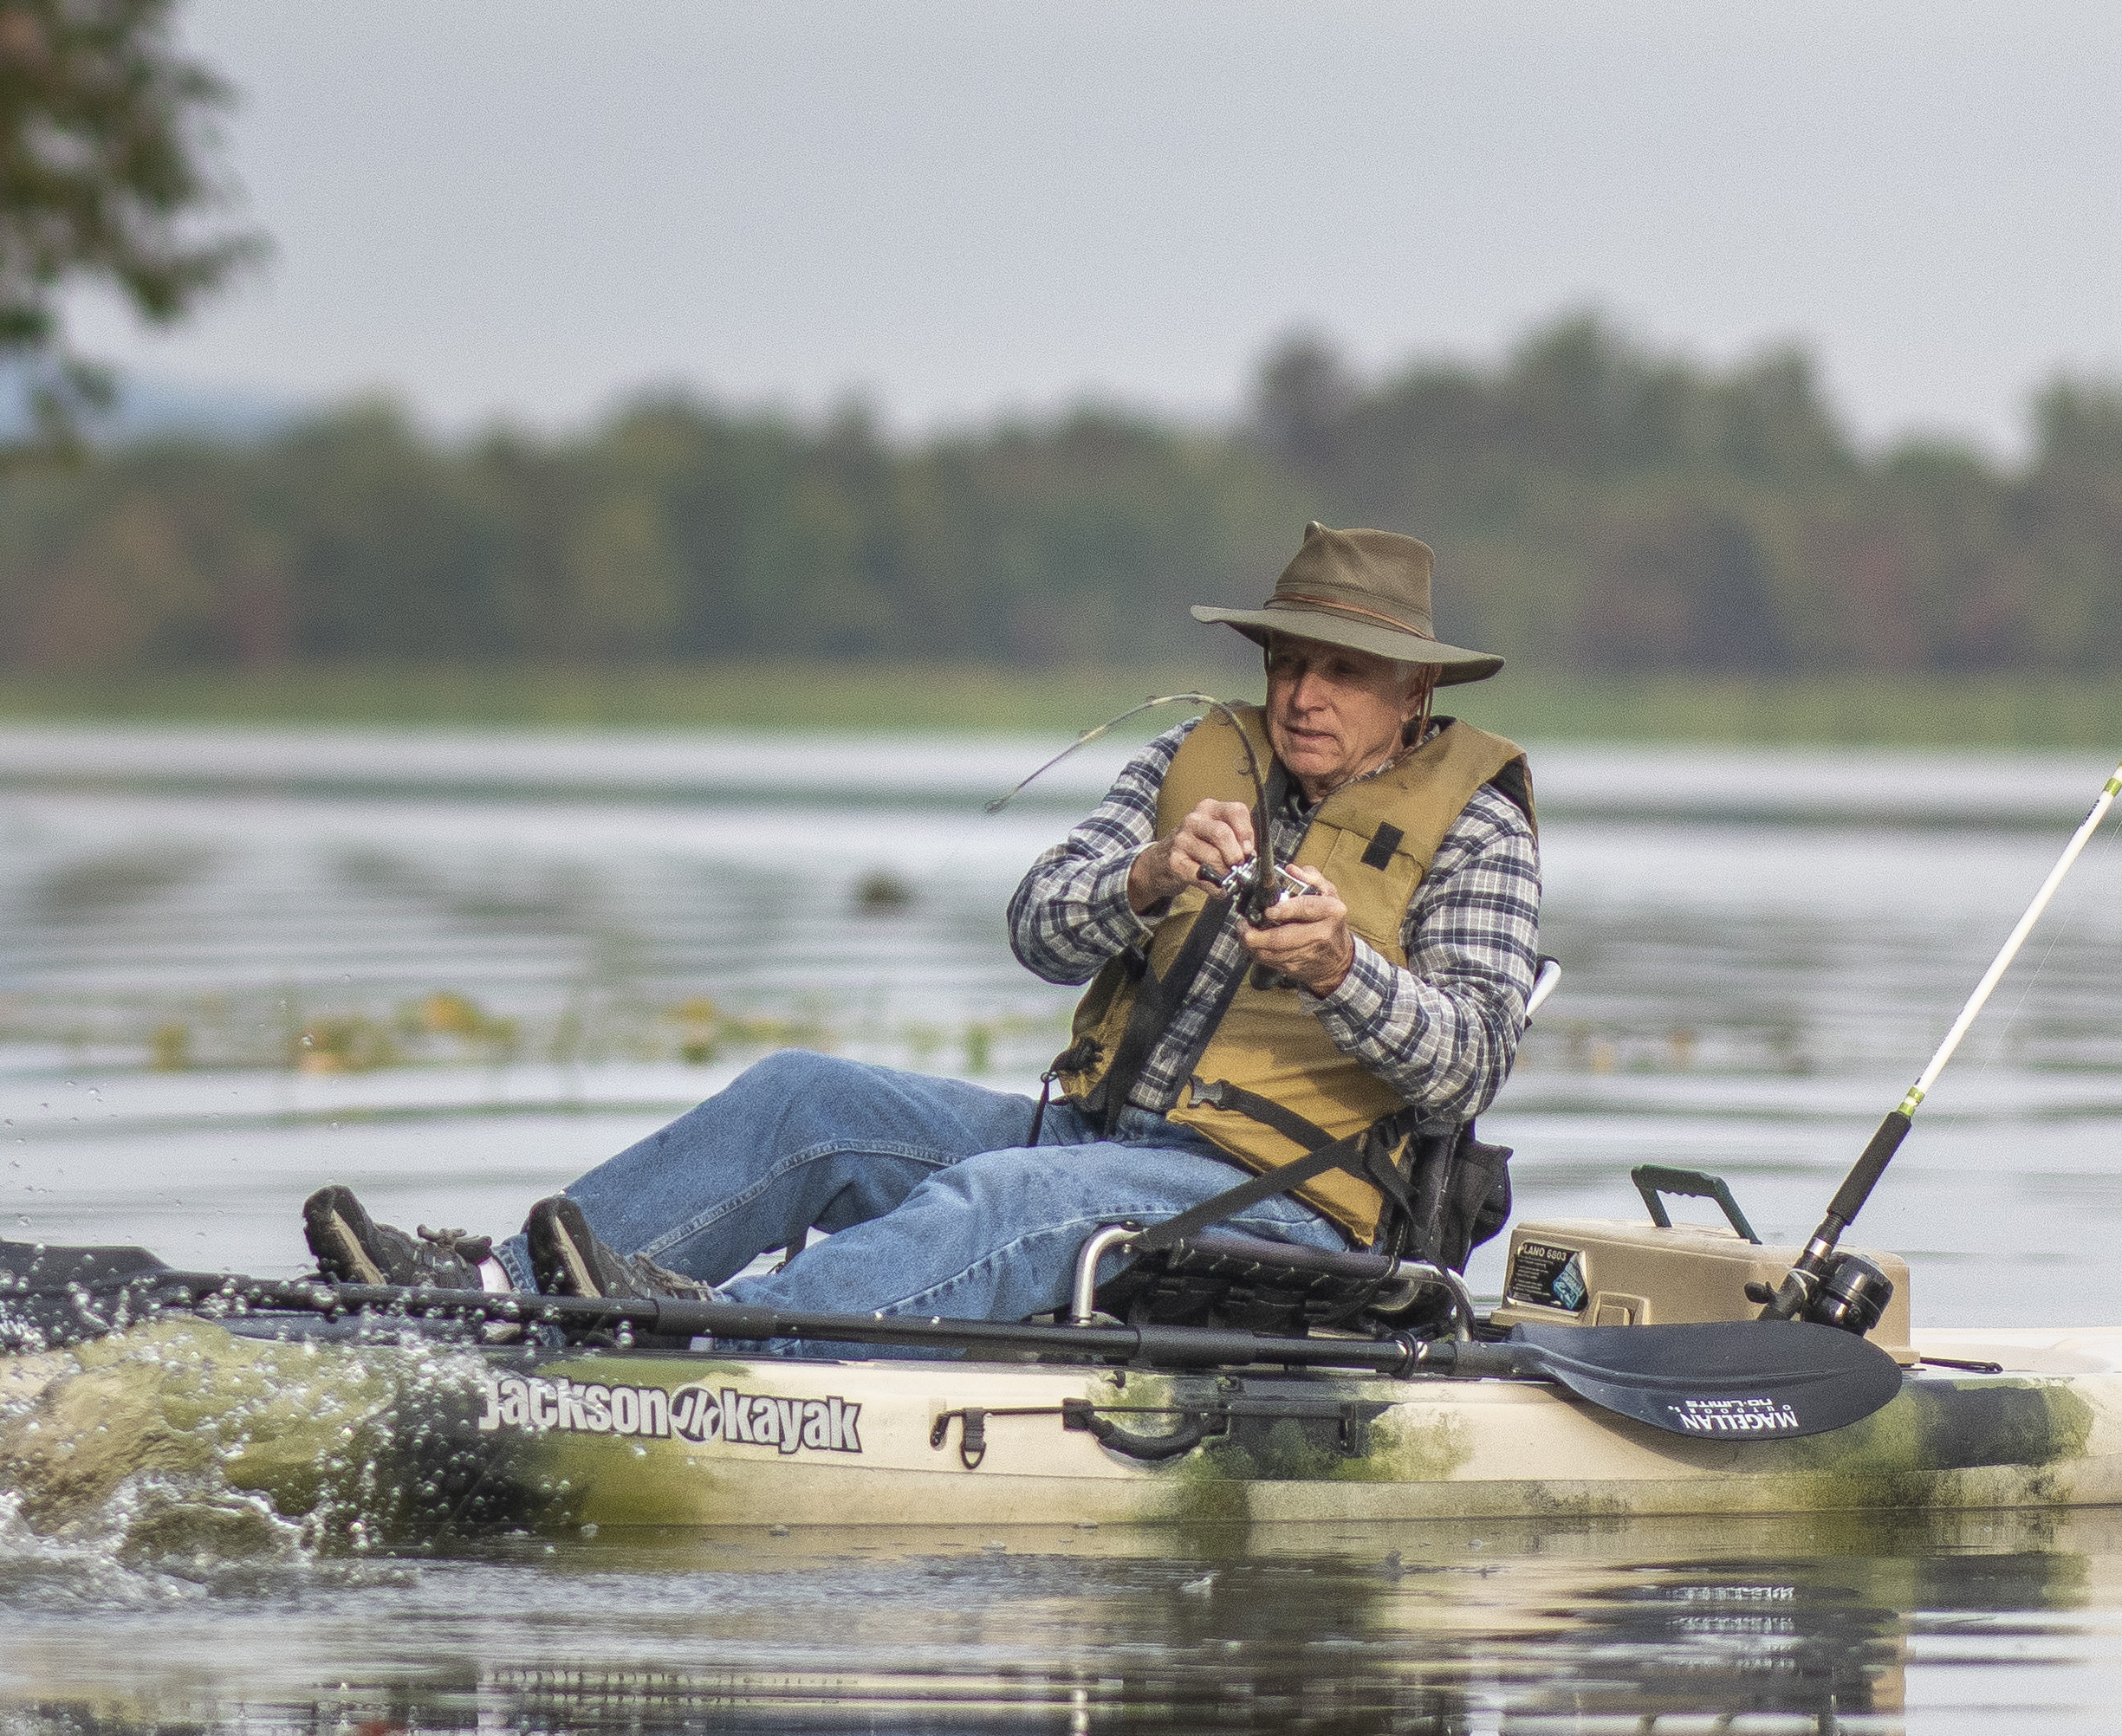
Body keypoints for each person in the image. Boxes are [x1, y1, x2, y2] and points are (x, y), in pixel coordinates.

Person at [313, 525, 1541, 1325]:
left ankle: (708, 1343)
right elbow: (1037, 930)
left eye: (1342, 671)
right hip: (1097, 1133)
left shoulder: (1478, 831)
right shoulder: (1197, 758)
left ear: (1417, 690)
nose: (1303, 695)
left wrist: (1341, 969)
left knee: (1002, 1196)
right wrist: (1146, 876)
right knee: (803, 1097)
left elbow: (1471, 1062)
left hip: (1284, 1203)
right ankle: (492, 1290)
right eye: (1287, 663)